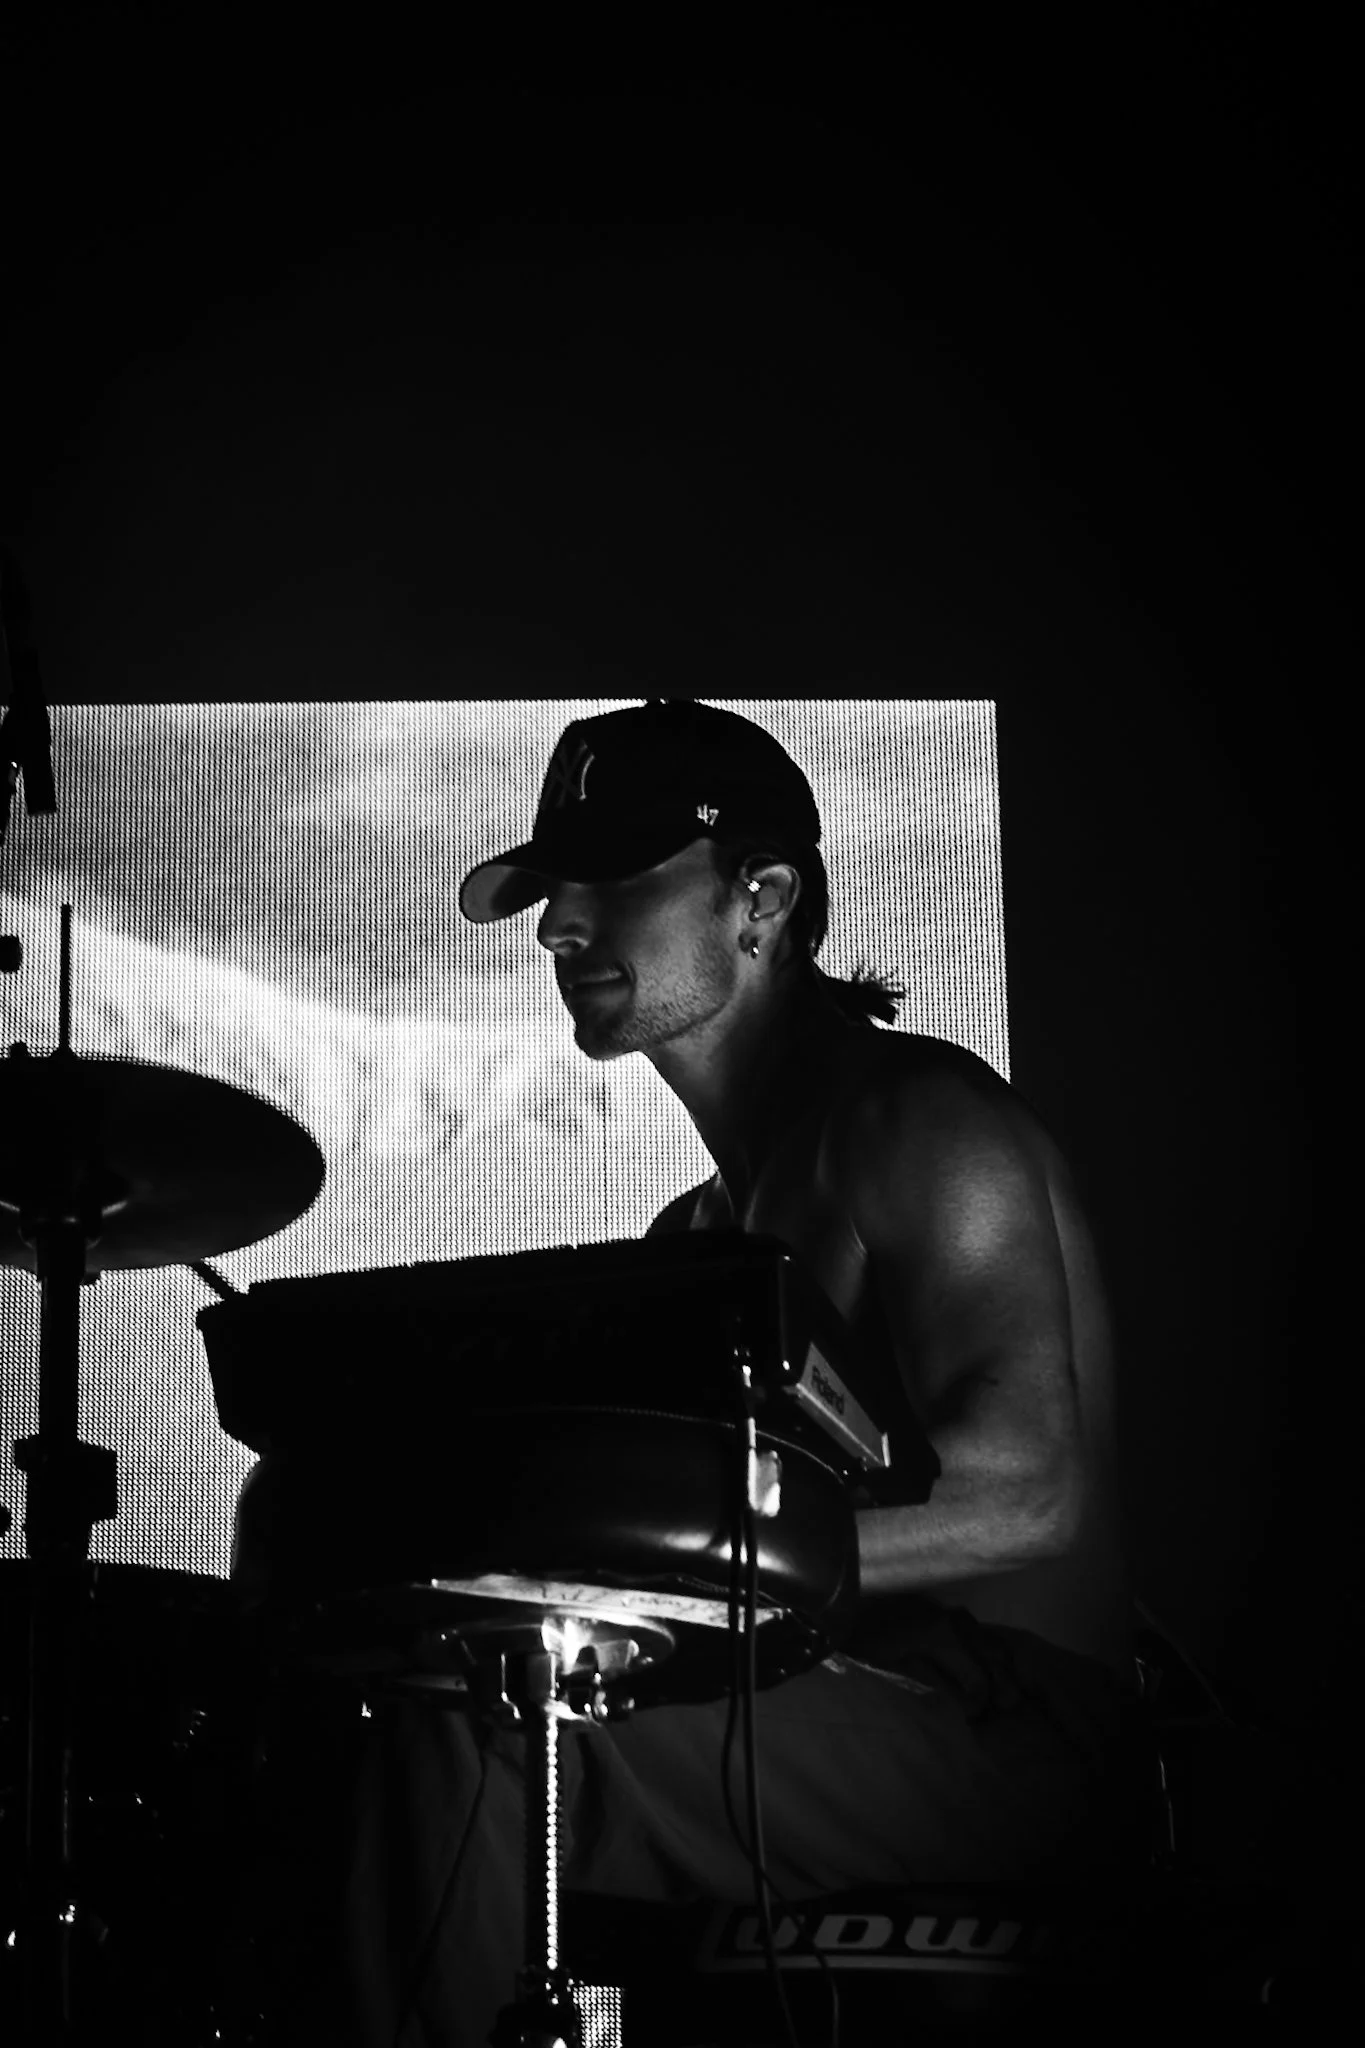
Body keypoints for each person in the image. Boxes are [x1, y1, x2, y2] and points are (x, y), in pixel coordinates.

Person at [246, 698, 1148, 2046]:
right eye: (551, 893)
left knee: (475, 1734)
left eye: (610, 880)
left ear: (762, 898)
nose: (557, 928)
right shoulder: (696, 1240)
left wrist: (639, 1567)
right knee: (346, 1714)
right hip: (814, 1695)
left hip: (1011, 1732)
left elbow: (1029, 1498)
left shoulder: (916, 1119)